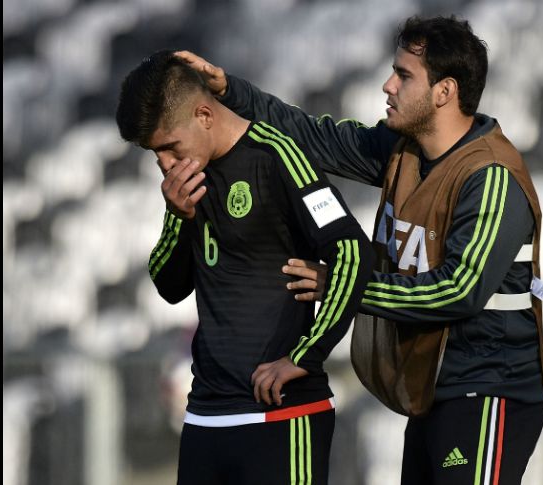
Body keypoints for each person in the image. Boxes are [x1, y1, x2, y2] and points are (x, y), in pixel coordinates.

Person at [177, 13, 543, 485]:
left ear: (445, 91)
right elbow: (315, 138)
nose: (387, 85)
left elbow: (458, 290)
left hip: (490, 389)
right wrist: (233, 92)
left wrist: (345, 287)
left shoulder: (491, 176)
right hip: (433, 388)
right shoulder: (404, 149)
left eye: (403, 75)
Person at [115, 50, 374, 485]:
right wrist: (177, 216)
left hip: (282, 415)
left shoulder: (277, 156)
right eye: (152, 153)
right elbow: (169, 285)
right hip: (205, 418)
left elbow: (351, 251)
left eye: (168, 146)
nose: (163, 163)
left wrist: (305, 355)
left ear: (204, 114)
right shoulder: (186, 183)